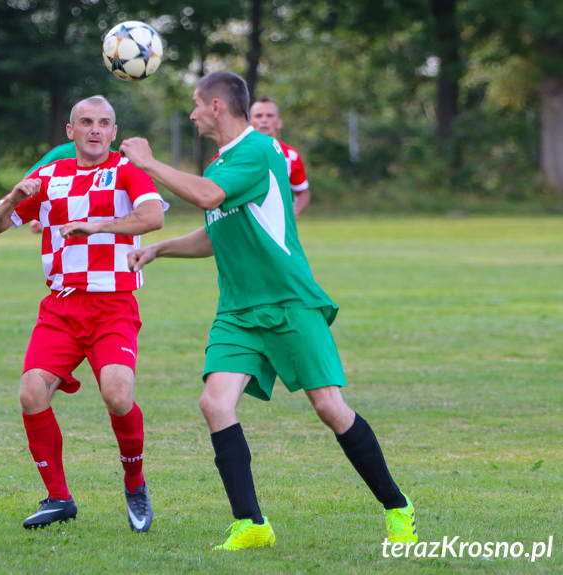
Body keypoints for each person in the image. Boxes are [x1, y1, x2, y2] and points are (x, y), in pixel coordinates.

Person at [120, 72, 417, 550]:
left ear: (217, 106)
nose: (192, 114)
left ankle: (398, 508)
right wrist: (161, 248)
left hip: (289, 302)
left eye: (196, 104)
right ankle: (251, 524)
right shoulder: (222, 163)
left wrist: (149, 162)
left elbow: (206, 198)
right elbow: (218, 229)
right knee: (215, 404)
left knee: (329, 407)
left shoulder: (257, 151)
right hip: (238, 311)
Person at [0, 95, 166, 533]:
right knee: (31, 394)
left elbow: (154, 217)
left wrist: (99, 226)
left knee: (118, 395)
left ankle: (135, 484)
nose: (95, 130)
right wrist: (12, 201)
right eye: (86, 122)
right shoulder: (47, 176)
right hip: (61, 308)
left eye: (104, 123)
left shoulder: (128, 171)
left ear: (114, 132)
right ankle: (58, 498)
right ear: (71, 131)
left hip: (113, 305)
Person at [249, 97, 310, 218]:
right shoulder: (236, 153)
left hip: (277, 225)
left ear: (279, 123)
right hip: (247, 224)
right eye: (259, 116)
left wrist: (296, 208)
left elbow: (302, 191)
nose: (264, 120)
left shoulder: (290, 155)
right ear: (249, 122)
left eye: (270, 116)